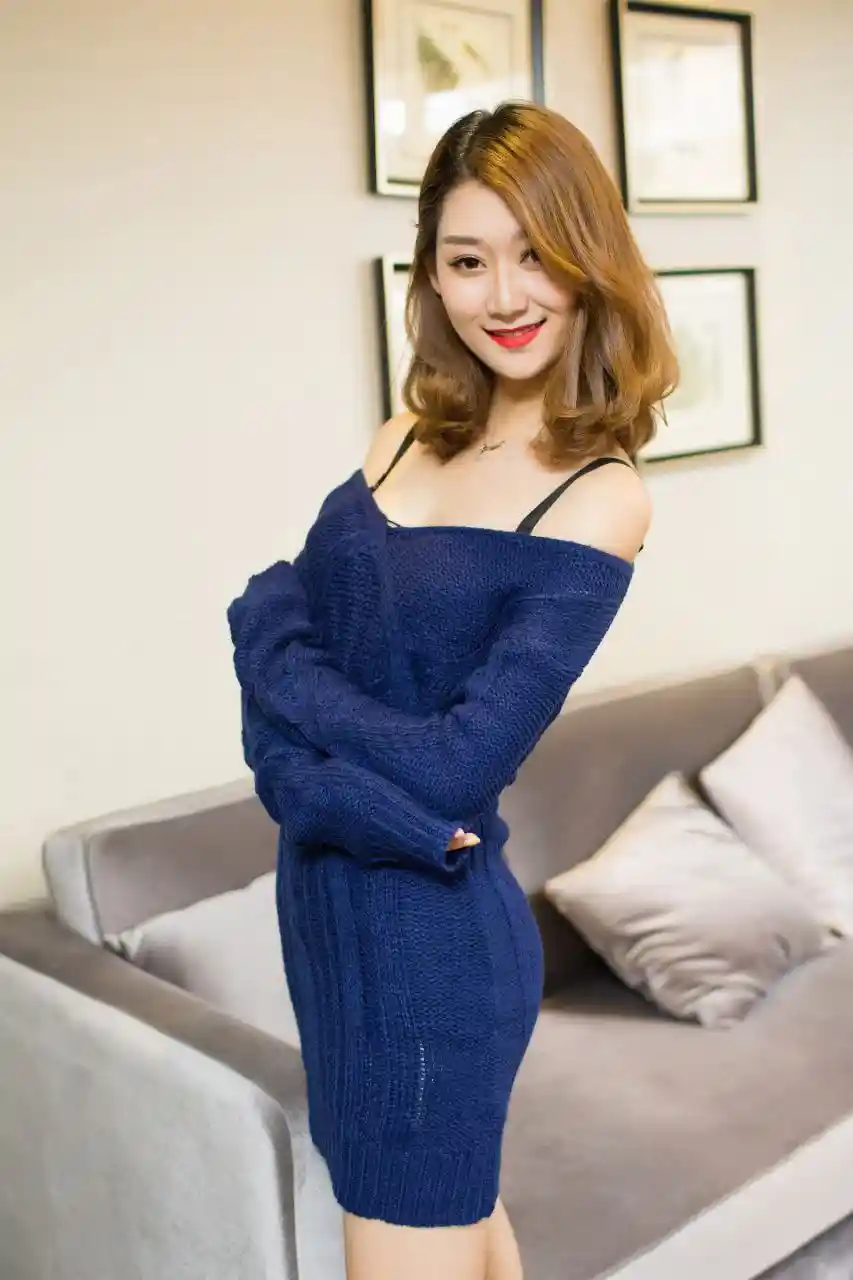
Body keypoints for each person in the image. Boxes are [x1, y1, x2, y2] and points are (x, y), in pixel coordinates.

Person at [226, 101, 678, 1280]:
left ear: (589, 263)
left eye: (536, 255)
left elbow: (452, 764)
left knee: (417, 1227)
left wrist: (273, 652)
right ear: (429, 274)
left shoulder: (596, 496)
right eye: (468, 260)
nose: (504, 294)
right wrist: (322, 784)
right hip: (327, 920)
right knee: (459, 1231)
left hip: (429, 954)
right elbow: (272, 709)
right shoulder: (399, 436)